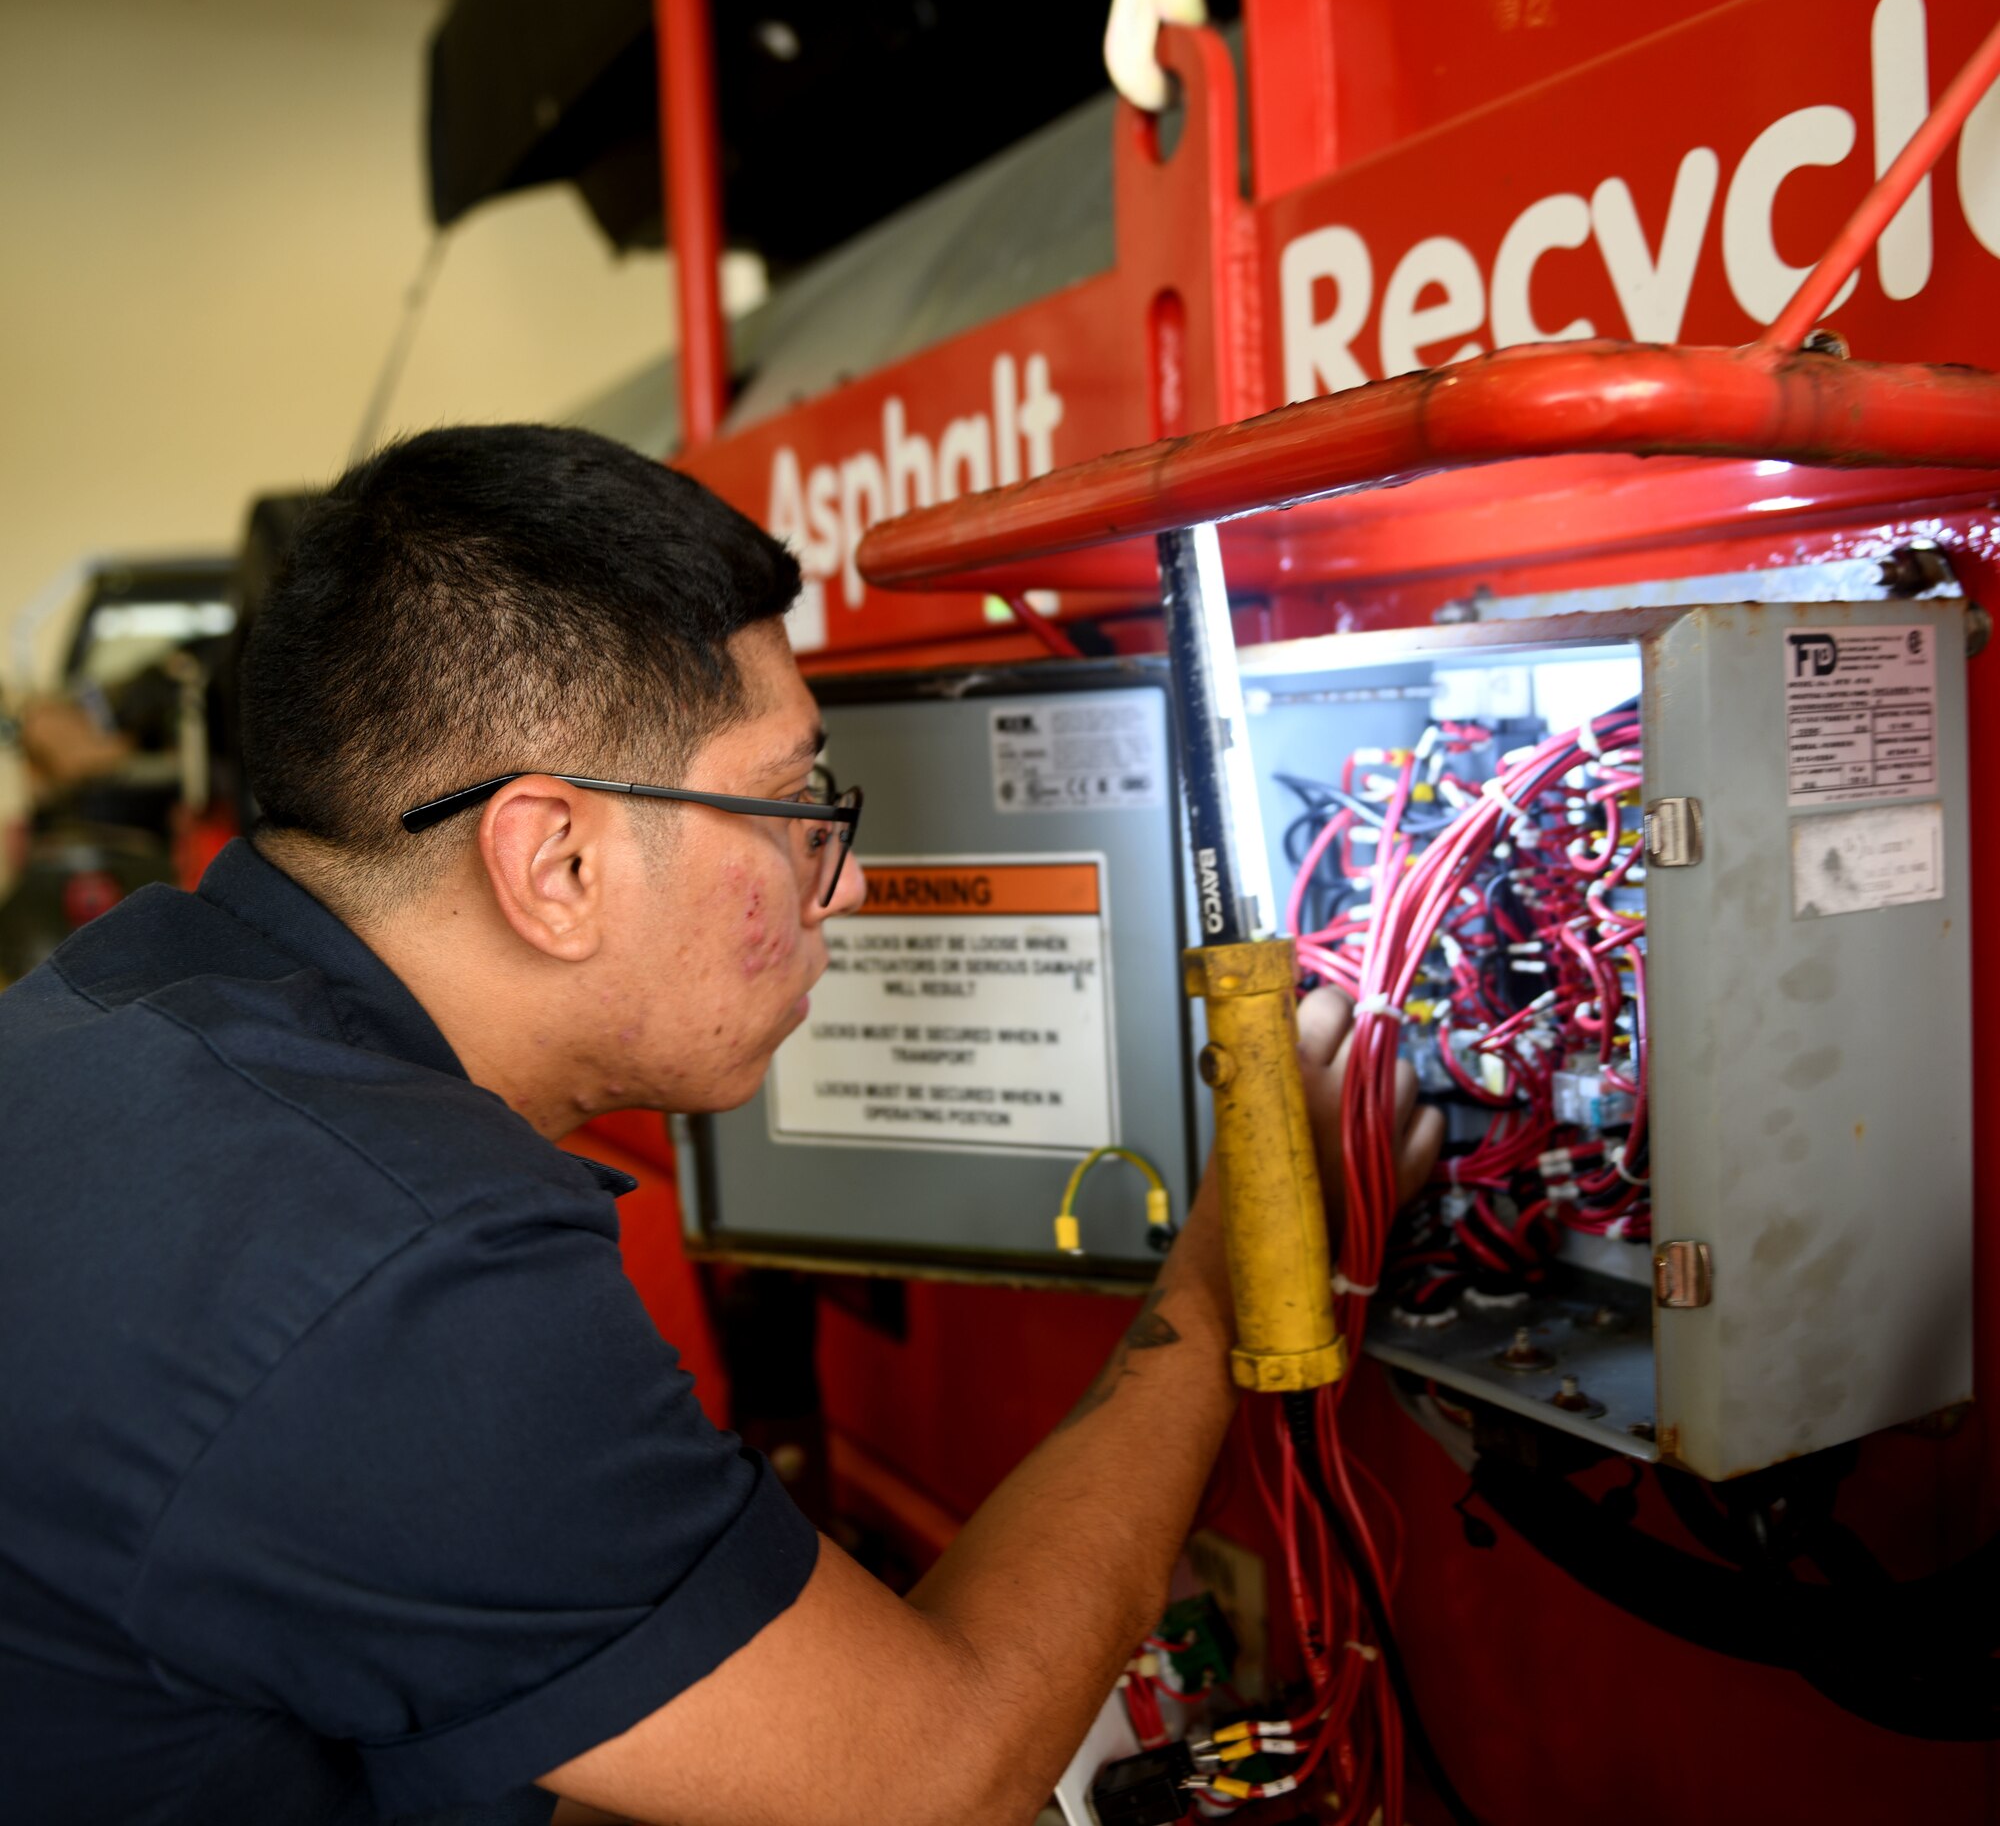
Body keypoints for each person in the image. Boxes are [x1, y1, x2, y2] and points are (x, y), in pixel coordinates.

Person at [0, 425, 1441, 1826]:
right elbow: (938, 1776)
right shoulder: (396, 1279)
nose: (851, 884)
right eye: (791, 800)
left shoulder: (133, 1000)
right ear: (554, 860)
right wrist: (1227, 1265)